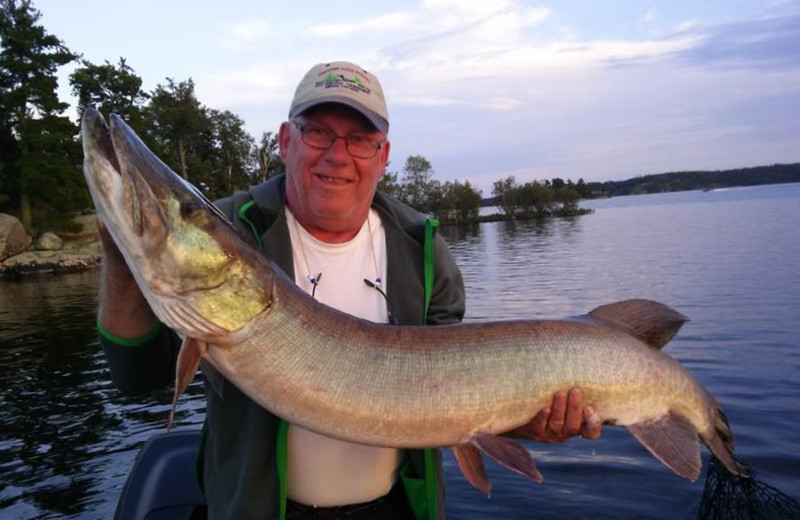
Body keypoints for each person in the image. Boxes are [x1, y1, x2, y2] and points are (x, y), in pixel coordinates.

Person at [97, 61, 602, 519]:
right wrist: (121, 254)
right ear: (284, 141)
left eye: (360, 139)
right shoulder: (232, 226)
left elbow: (457, 400)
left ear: (382, 157)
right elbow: (137, 378)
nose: (337, 156)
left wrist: (529, 420)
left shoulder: (422, 251)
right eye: (317, 132)